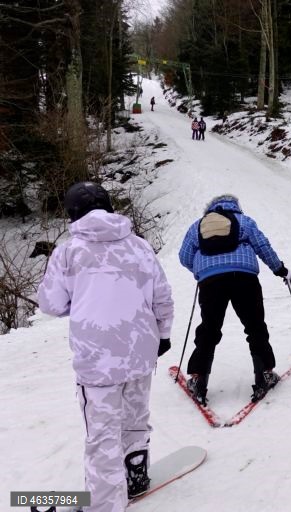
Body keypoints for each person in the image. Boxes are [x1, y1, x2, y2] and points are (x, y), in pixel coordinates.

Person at [38, 182, 174, 511]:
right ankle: (136, 474)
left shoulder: (69, 252)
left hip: (97, 359)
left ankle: (104, 503)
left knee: (101, 434)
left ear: (72, 212)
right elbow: (163, 296)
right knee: (134, 418)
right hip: (142, 351)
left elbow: (51, 304)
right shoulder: (140, 246)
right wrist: (164, 334)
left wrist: (81, 301)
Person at [178, 194, 291, 405]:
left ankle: (198, 380)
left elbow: (184, 256)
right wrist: (280, 269)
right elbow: (262, 246)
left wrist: (201, 270)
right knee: (255, 326)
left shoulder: (197, 226)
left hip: (210, 282)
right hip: (244, 278)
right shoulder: (243, 221)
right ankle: (264, 375)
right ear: (235, 206)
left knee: (209, 329)